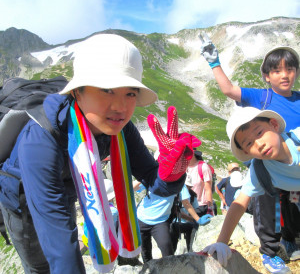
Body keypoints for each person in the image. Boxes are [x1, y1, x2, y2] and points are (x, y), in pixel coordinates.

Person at [0, 34, 200, 274]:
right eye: (107, 90)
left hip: (69, 186)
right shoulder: (40, 138)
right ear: (77, 92)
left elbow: (153, 179)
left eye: (131, 93)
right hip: (21, 199)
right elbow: (57, 234)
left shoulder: (121, 129)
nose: (121, 107)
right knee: (40, 264)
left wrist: (172, 174)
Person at [200, 34, 300, 273]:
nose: (284, 75)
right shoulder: (262, 97)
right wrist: (214, 63)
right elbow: (229, 90)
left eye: (290, 69)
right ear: (266, 76)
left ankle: (291, 238)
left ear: (275, 126)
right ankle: (270, 250)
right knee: (268, 197)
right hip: (270, 168)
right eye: (276, 71)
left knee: (292, 208)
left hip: (290, 155)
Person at [203, 106, 300, 274]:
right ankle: (269, 252)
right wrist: (222, 242)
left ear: (274, 125)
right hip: (286, 193)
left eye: (259, 133)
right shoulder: (260, 169)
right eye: (249, 143)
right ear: (247, 152)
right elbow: (240, 203)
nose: (259, 144)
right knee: (264, 196)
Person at [134, 181, 211, 262]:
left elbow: (186, 203)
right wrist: (143, 178)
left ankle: (169, 269)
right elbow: (133, 187)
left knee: (166, 247)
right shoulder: (153, 176)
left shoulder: (179, 182)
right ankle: (148, 268)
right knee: (145, 249)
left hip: (161, 221)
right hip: (141, 218)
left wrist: (198, 219)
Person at [170, 175, 203, 253]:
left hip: (187, 224)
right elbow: (176, 212)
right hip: (175, 222)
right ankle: (172, 253)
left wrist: (193, 219)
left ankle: (190, 251)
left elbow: (195, 210)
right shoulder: (175, 195)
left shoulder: (192, 196)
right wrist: (193, 219)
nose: (186, 188)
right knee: (173, 230)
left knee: (193, 228)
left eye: (187, 186)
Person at [186, 150, 215, 217]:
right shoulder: (182, 166)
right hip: (185, 206)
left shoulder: (203, 167)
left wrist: (210, 209)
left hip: (199, 206)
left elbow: (208, 189)